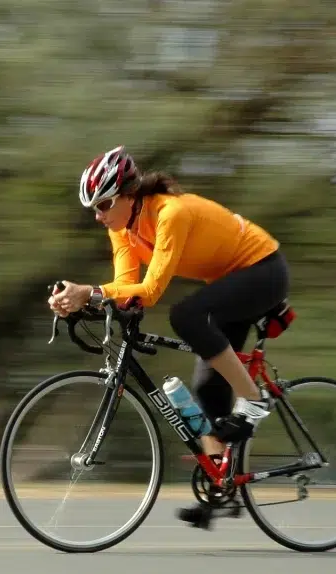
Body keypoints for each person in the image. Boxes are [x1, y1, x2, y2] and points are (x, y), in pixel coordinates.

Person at [48, 146, 290, 527]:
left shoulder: (169, 213)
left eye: (104, 203)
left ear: (130, 194)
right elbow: (127, 288)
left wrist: (91, 291)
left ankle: (253, 400)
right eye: (93, 208)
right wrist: (80, 301)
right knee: (208, 386)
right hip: (229, 283)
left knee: (185, 314)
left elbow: (154, 288)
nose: (98, 215)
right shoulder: (122, 227)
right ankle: (220, 487)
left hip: (263, 271)